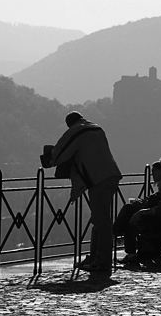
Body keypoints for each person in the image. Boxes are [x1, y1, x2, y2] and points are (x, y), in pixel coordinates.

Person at [49, 111, 122, 272]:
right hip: (111, 175)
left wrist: (51, 158)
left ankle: (102, 261)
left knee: (102, 221)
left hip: (98, 178)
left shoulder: (76, 131)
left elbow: (58, 154)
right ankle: (95, 257)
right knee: (98, 218)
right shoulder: (97, 128)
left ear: (69, 124)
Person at [113, 161, 161, 265]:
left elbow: (159, 204)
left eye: (154, 171)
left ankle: (115, 234)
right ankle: (115, 233)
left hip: (158, 219)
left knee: (128, 214)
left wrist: (142, 208)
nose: (152, 174)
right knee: (128, 211)